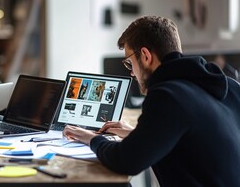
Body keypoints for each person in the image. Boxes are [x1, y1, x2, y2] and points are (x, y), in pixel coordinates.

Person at [63, 15, 240, 186]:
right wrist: (139, 135)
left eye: (129, 63)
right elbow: (194, 142)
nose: (131, 73)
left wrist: (91, 138)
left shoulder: (168, 96)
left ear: (146, 56)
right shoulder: (230, 86)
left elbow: (126, 161)